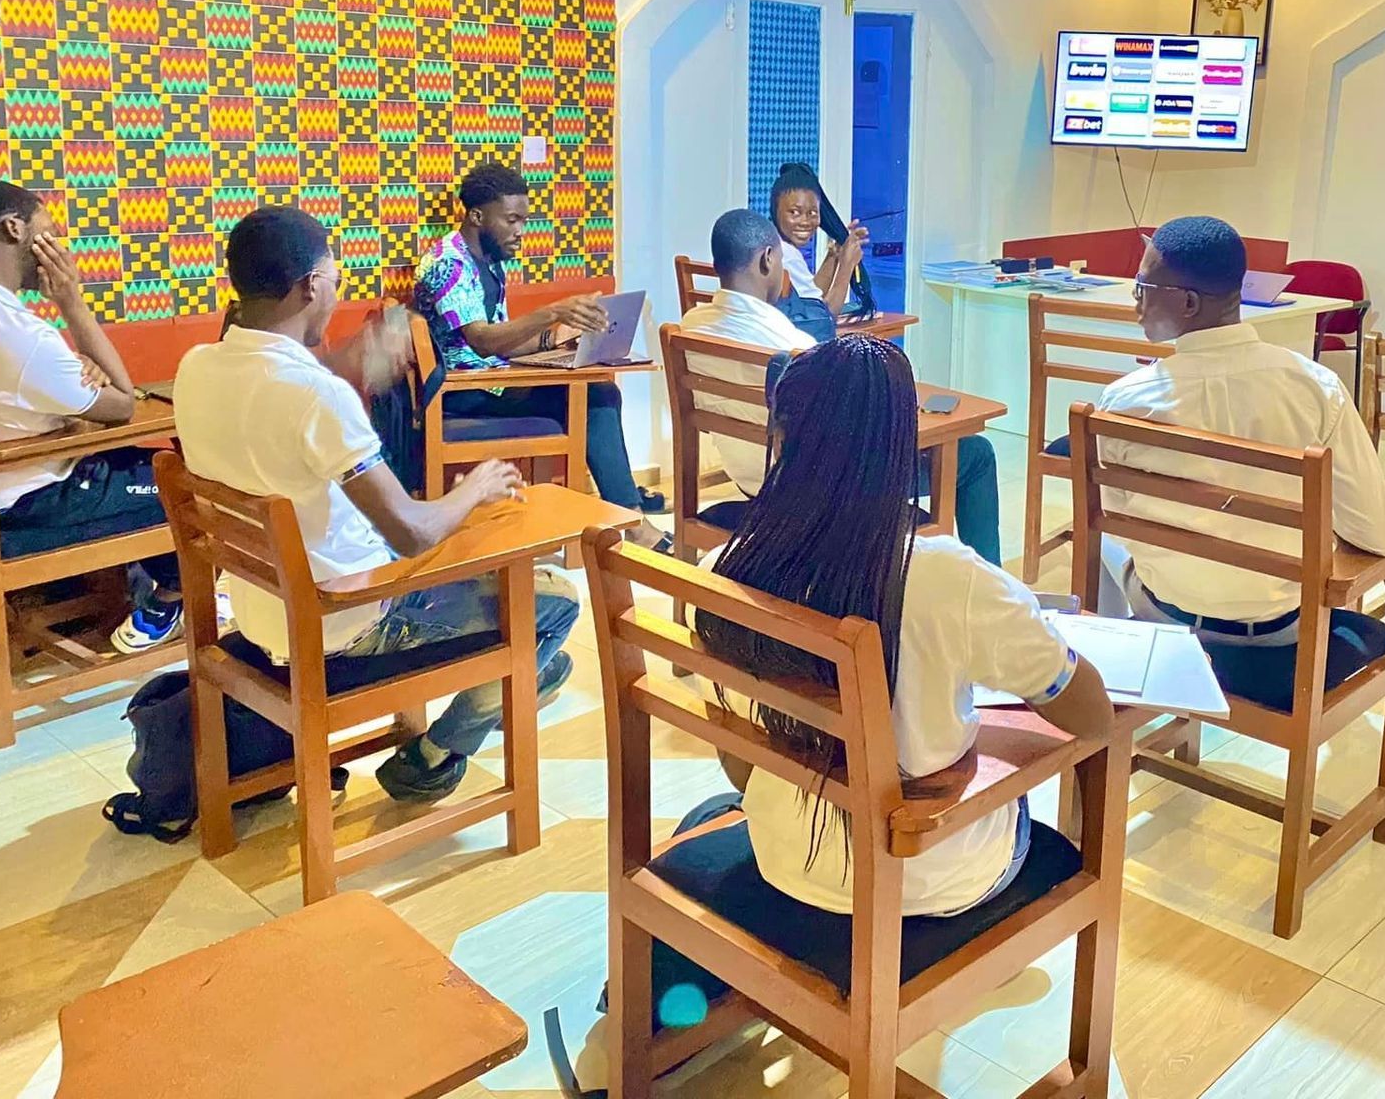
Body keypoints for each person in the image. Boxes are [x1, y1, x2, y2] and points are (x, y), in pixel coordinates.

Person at [691, 334, 1114, 917]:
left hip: (783, 858)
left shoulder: (721, 572)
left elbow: (740, 771)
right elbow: (1091, 716)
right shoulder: (947, 576)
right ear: (903, 449)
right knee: (1000, 774)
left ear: (778, 436)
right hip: (932, 878)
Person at [175, 205, 581, 803]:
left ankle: (515, 678)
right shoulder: (316, 396)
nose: (336, 295)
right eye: (334, 280)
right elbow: (414, 532)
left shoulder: (197, 367)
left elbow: (274, 392)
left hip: (260, 609)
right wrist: (475, 487)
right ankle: (435, 755)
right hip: (346, 620)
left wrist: (346, 368)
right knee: (552, 600)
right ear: (311, 285)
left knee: (499, 595)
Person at [1091, 216, 1385, 713]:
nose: (1137, 306)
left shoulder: (1125, 399)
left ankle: (1114, 684)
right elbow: (1380, 536)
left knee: (1100, 538)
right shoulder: (1315, 389)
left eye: (1143, 289)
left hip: (1165, 616)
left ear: (1188, 303)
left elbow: (1118, 521)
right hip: (1279, 632)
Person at [0, 180, 185, 653]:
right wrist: (72, 303)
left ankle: (137, 590)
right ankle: (172, 599)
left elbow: (13, 394)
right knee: (184, 481)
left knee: (131, 463)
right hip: (30, 506)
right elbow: (122, 406)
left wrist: (71, 410)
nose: (57, 246)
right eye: (49, 231)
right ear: (14, 229)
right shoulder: (20, 335)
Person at [680, 209, 1002, 564]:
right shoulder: (792, 344)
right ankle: (991, 584)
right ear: (767, 259)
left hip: (748, 481)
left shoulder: (690, 326)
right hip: (815, 497)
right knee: (974, 453)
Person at [412, 162, 665, 549]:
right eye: (512, 220)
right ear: (477, 216)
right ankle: (629, 520)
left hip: (494, 380)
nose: (521, 231)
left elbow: (504, 340)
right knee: (595, 397)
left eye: (524, 220)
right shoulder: (449, 263)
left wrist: (558, 341)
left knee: (600, 389)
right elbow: (481, 341)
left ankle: (623, 509)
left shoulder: (488, 259)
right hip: (465, 392)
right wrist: (553, 312)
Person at [769, 162, 868, 338]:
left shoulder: (776, 244)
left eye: (813, 213)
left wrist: (835, 255)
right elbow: (825, 317)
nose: (805, 221)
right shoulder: (786, 256)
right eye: (794, 212)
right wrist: (847, 266)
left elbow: (812, 303)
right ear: (775, 210)